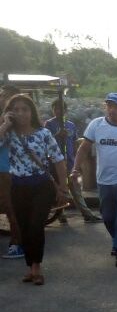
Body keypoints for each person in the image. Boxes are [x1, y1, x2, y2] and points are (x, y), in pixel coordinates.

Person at [0, 94, 68, 285]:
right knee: (23, 227)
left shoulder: (43, 134)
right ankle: (31, 267)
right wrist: (5, 124)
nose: (21, 113)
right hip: (18, 187)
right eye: (17, 110)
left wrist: (63, 187)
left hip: (41, 186)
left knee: (36, 225)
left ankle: (37, 267)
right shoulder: (7, 134)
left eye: (25, 109)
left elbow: (58, 160)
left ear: (32, 112)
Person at [72, 93, 117, 268]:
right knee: (108, 216)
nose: (111, 110)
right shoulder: (96, 125)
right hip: (104, 180)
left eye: (115, 106)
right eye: (109, 106)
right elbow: (83, 149)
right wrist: (75, 168)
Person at [45, 99, 102, 223]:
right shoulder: (48, 124)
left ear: (65, 110)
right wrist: (57, 135)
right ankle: (60, 214)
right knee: (59, 188)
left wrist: (78, 162)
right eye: (56, 109)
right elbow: (44, 142)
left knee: (76, 189)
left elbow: (75, 143)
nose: (58, 111)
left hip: (70, 162)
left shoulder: (70, 125)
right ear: (53, 110)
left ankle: (87, 214)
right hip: (55, 163)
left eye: (60, 109)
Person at [0, 85, 25, 259]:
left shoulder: (14, 120)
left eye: (5, 95)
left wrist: (5, 124)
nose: (2, 98)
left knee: (10, 206)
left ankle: (17, 242)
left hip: (7, 169)